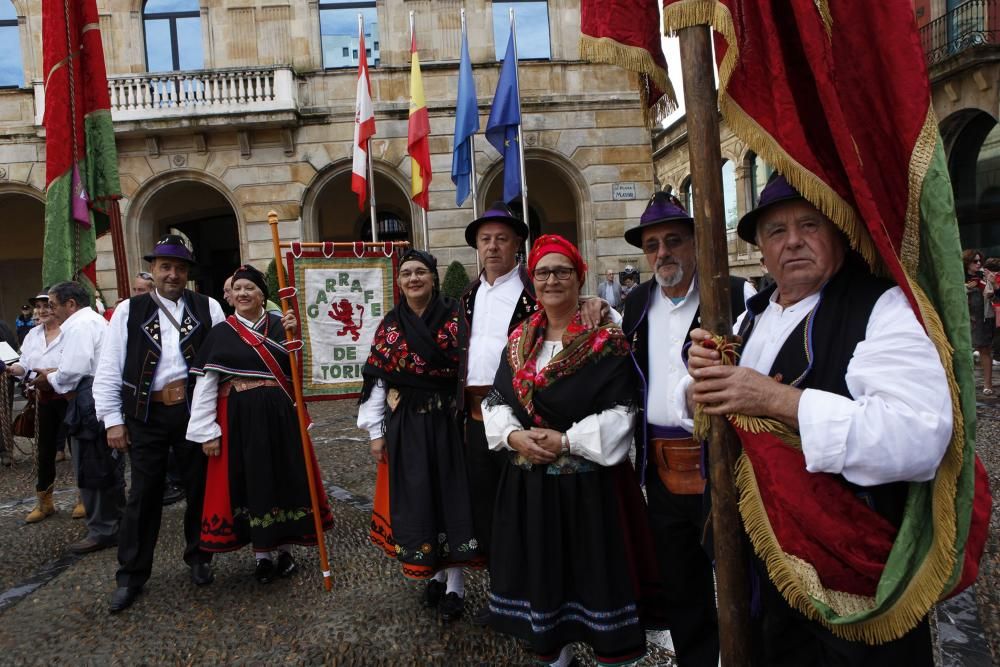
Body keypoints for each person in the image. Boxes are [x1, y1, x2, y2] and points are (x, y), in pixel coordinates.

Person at [682, 174, 952, 665]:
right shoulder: (750, 317)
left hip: (848, 577)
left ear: (839, 231)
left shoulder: (883, 306)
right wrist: (701, 387)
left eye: (809, 224)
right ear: (761, 250)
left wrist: (779, 400)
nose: (793, 242)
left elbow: (916, 437)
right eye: (776, 231)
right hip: (758, 567)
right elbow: (725, 415)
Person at [483, 235, 665, 666]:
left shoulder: (607, 340)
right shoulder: (519, 340)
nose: (552, 280)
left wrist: (568, 441)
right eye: (543, 272)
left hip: (592, 494)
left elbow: (624, 412)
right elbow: (495, 399)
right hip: (532, 491)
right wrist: (514, 437)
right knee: (546, 585)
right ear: (533, 281)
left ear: (579, 277)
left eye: (563, 271)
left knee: (598, 583)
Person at [457, 202, 613, 624]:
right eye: (485, 240)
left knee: (534, 518)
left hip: (532, 417)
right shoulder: (468, 295)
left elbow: (570, 304)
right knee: (491, 511)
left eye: (501, 239)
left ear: (517, 246)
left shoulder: (533, 288)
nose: (492, 247)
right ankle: (505, 595)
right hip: (481, 418)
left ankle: (552, 602)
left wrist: (598, 302)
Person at [620, 192, 750, 667]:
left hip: (726, 463)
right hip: (659, 467)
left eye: (673, 241)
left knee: (741, 576)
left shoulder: (736, 294)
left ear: (696, 243)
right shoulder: (634, 304)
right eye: (653, 245)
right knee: (681, 584)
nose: (662, 253)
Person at [94, 234, 225, 613]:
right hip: (146, 415)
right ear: (152, 270)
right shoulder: (128, 311)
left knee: (200, 487)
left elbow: (222, 361)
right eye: (165, 267)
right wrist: (113, 422)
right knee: (143, 494)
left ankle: (200, 557)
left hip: (194, 413)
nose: (172, 274)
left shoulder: (209, 307)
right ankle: (131, 574)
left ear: (187, 273)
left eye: (180, 268)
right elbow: (108, 370)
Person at [186, 265, 333, 583]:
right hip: (240, 419)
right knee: (252, 481)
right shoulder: (221, 333)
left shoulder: (283, 326)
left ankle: (284, 552)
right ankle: (262, 556)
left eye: (249, 288)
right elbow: (206, 385)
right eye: (236, 288)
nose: (242, 293)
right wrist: (205, 431)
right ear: (230, 296)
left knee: (283, 478)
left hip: (281, 417)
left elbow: (301, 372)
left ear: (262, 296)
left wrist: (298, 338)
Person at [357, 250, 479, 621]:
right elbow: (378, 378)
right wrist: (375, 432)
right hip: (407, 426)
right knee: (420, 499)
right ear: (399, 282)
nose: (413, 279)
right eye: (407, 273)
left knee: (452, 500)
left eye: (420, 272)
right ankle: (435, 574)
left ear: (433, 278)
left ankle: (456, 585)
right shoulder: (390, 325)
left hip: (449, 423)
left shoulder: (458, 317)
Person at [33, 281, 125, 554]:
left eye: (53, 304)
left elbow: (74, 369)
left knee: (92, 464)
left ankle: (104, 529)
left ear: (70, 304)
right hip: (96, 396)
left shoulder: (79, 325)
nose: (50, 311)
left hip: (88, 399)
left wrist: (50, 376)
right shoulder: (91, 322)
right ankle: (115, 523)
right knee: (106, 464)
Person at [5, 293, 67, 523]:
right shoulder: (33, 334)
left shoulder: (69, 331)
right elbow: (25, 363)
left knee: (79, 449)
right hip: (43, 399)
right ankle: (45, 501)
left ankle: (85, 498)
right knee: (44, 450)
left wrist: (50, 374)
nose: (41, 311)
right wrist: (14, 370)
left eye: (47, 306)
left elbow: (73, 363)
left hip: (68, 396)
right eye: (38, 307)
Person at [964, 249, 995, 394]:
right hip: (965, 318)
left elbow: (991, 294)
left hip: (982, 318)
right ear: (967, 262)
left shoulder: (983, 277)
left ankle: (987, 385)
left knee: (985, 350)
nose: (978, 263)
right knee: (963, 351)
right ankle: (964, 384)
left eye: (979, 261)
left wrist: (990, 283)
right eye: (974, 261)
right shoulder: (959, 278)